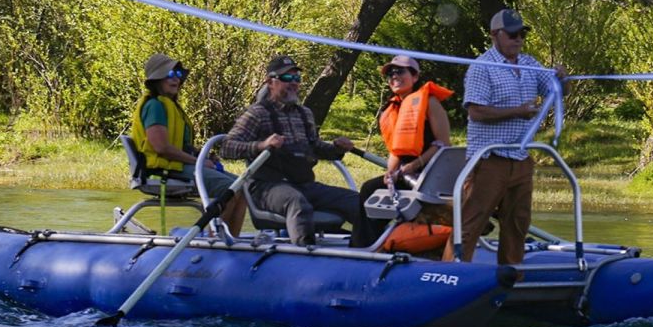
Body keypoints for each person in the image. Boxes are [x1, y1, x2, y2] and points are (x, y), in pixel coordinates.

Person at [442, 9, 565, 265]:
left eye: (522, 34)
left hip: (520, 157)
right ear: (495, 35)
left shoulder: (530, 63)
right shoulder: (482, 67)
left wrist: (563, 80)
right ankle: (451, 272)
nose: (518, 39)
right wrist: (517, 111)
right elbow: (476, 112)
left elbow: (557, 90)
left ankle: (510, 275)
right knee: (471, 221)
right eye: (512, 34)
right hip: (489, 159)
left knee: (518, 223)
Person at [220, 55, 360, 245]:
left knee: (355, 200)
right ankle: (304, 252)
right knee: (297, 203)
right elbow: (227, 147)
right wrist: (261, 145)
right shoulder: (257, 113)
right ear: (270, 82)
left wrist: (337, 148)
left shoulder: (305, 114)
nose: (293, 82)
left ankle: (370, 249)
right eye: (287, 78)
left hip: (304, 184)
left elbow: (315, 147)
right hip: (266, 187)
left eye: (297, 78)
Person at [130, 53, 246, 234]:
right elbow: (161, 147)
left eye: (178, 74)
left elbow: (181, 146)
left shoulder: (171, 106)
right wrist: (198, 162)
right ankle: (214, 239)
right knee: (228, 189)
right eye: (170, 74)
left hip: (178, 166)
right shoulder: (155, 106)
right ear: (157, 80)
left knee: (242, 186)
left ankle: (231, 240)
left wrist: (204, 156)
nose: (176, 79)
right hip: (164, 170)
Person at [349, 55, 453, 248]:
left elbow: (443, 144)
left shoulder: (430, 102)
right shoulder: (394, 107)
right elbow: (396, 149)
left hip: (430, 176)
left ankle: (364, 245)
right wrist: (390, 172)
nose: (394, 76)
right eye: (390, 74)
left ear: (415, 76)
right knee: (372, 188)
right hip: (405, 174)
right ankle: (370, 244)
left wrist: (414, 165)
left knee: (369, 189)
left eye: (400, 71)